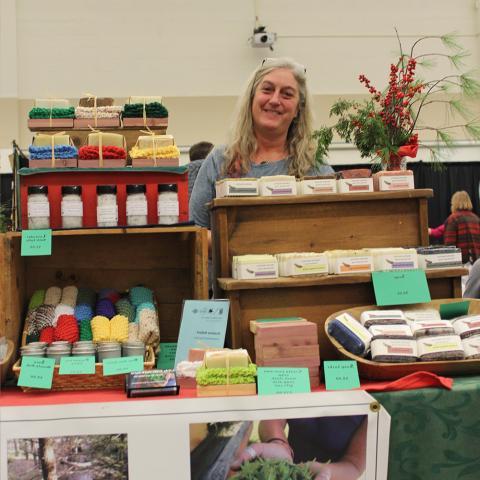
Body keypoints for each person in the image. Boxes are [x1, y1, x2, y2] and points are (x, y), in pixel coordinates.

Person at [189, 57, 334, 230]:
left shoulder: (314, 167)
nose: (274, 100)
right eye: (267, 90)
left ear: (298, 110)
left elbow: (334, 228)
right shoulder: (219, 161)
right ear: (251, 99)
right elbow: (195, 235)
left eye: (287, 94)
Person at [231, 416, 367, 480]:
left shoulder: (376, 391)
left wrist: (327, 471)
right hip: (286, 467)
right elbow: (273, 418)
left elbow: (354, 464)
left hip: (334, 475)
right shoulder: (298, 368)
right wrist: (278, 443)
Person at [443, 191, 480, 264]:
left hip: (460, 264)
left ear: (454, 203)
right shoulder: (476, 219)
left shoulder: (453, 219)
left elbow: (449, 246)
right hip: (477, 264)